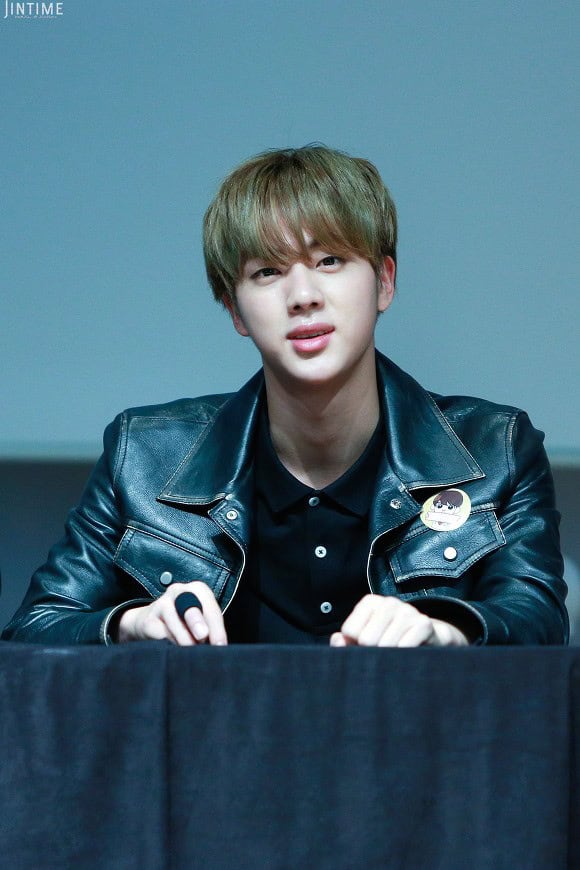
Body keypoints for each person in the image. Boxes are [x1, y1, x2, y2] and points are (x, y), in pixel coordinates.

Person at [2, 145, 568, 647]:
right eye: (268, 272)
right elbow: (36, 626)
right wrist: (130, 624)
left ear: (385, 282)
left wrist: (449, 631)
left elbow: (538, 617)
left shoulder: (495, 449)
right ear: (235, 310)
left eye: (329, 261)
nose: (303, 296)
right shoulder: (144, 455)